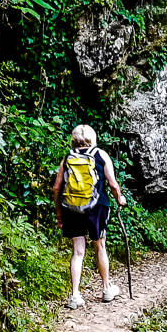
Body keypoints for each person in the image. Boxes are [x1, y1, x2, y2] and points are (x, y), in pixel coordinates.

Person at [52, 124, 127, 309]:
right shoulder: (100, 154)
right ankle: (107, 289)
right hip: (97, 206)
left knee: (78, 252)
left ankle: (75, 295)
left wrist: (59, 213)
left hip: (72, 207)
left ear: (73, 139)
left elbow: (56, 187)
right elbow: (112, 183)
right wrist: (120, 199)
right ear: (93, 138)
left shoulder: (68, 157)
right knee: (100, 246)